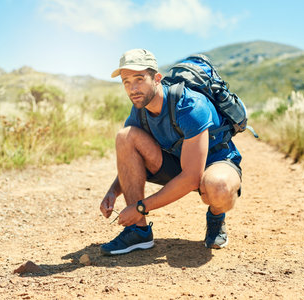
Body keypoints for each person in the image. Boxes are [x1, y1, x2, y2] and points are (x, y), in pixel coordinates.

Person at [99, 49, 242, 255]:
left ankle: (216, 216)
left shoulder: (189, 105)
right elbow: (130, 159)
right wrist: (113, 191)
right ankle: (138, 232)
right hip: (178, 163)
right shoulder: (140, 110)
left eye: (139, 79)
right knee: (125, 136)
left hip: (215, 162)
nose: (133, 88)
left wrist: (140, 207)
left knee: (217, 187)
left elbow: (192, 177)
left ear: (157, 78)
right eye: (126, 82)